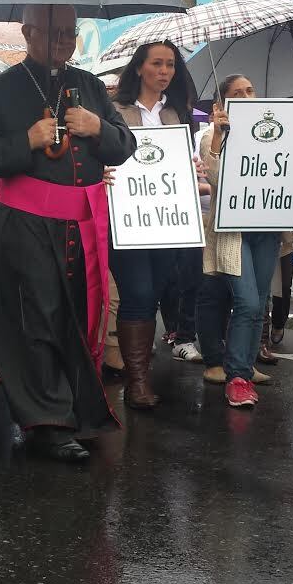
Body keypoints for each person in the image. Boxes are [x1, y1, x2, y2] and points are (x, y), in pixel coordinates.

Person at [0, 4, 136, 462]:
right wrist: (26, 141)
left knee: (76, 318)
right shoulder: (0, 90)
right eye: (54, 32)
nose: (63, 42)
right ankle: (48, 424)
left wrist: (98, 127)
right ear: (28, 33)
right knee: (37, 320)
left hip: (81, 225)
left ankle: (75, 412)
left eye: (69, 33)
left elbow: (125, 146)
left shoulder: (91, 86)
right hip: (26, 225)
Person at [106, 40, 198, 409]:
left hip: (166, 221)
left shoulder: (178, 113)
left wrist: (191, 168)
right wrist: (101, 171)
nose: (164, 71)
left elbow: (180, 162)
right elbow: (102, 154)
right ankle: (138, 382)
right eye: (157, 63)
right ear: (139, 68)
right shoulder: (115, 110)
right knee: (139, 293)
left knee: (154, 293)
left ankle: (139, 374)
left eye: (170, 65)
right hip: (126, 219)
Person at [202, 77, 282, 409]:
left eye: (250, 91)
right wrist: (219, 135)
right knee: (247, 302)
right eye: (237, 93)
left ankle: (245, 370)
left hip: (268, 227)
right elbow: (214, 178)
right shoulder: (211, 135)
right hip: (233, 232)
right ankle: (236, 377)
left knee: (259, 303)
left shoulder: (275, 132)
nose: (247, 96)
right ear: (221, 104)